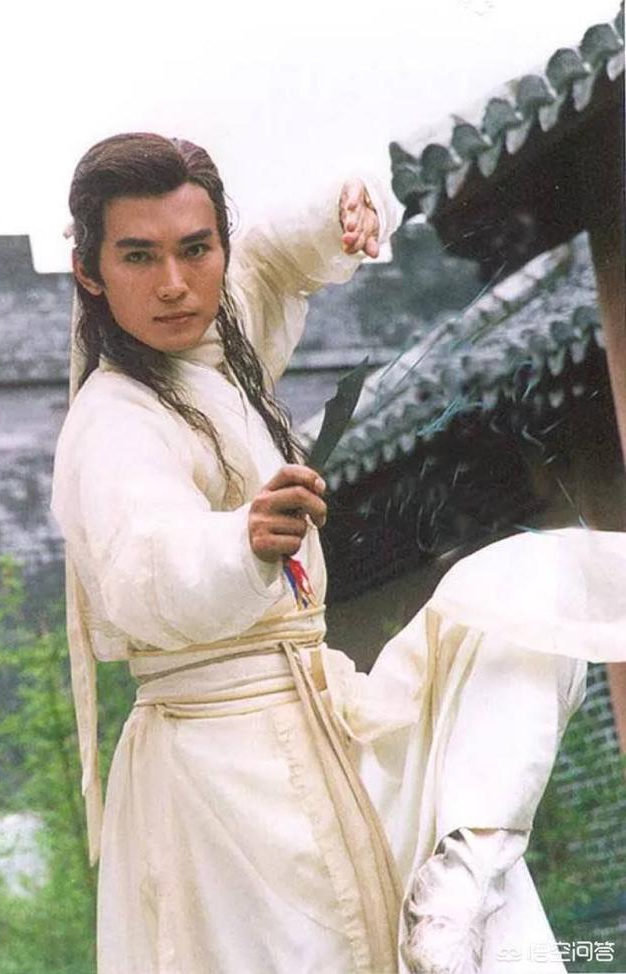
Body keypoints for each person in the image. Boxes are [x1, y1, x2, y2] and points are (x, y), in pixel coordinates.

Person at [51, 132, 621, 974]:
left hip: (330, 715)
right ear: (90, 272)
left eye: (195, 249)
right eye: (139, 256)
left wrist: (341, 214)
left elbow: (276, 258)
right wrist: (240, 541)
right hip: (219, 778)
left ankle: (459, 884)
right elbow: (145, 564)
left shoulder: (215, 335)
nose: (173, 283)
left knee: (530, 599)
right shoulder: (112, 421)